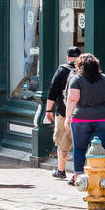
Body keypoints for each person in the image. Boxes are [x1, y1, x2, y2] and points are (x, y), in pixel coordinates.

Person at [65, 53, 105, 186]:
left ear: (79, 66)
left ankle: (77, 176)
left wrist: (67, 117)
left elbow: (72, 99)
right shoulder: (104, 79)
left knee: (80, 148)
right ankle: (102, 175)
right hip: (102, 118)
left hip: (81, 118)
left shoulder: (76, 79)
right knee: (100, 147)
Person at [43, 46, 81, 179]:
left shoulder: (62, 70)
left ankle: (61, 170)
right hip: (81, 114)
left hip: (63, 113)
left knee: (63, 142)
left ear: (68, 57)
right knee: (80, 144)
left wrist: (48, 110)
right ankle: (79, 172)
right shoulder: (85, 70)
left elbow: (52, 91)